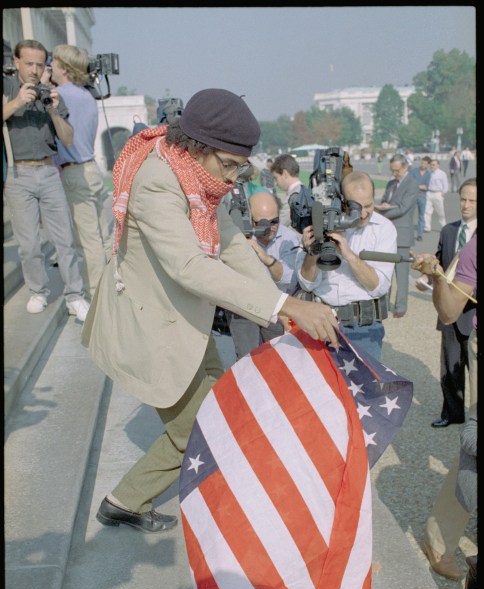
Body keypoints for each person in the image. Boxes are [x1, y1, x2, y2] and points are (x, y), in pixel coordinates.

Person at [81, 88, 340, 533]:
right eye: (230, 164)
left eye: (242, 167)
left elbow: (233, 244)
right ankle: (185, 516)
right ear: (197, 146)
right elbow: (190, 266)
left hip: (185, 323)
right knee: (205, 433)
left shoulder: (196, 175)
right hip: (154, 328)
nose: (236, 178)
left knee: (219, 417)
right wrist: (282, 303)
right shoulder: (159, 181)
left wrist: (279, 308)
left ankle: (125, 501)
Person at [3, 39, 90, 321]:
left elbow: (67, 137)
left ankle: (75, 296)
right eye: (29, 63)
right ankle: (38, 291)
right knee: (28, 243)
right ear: (16, 63)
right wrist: (17, 101)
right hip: (18, 173)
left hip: (48, 171)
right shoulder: (6, 88)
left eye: (40, 64)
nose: (35, 69)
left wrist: (52, 110)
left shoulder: (52, 95)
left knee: (64, 239)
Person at [411, 229, 477, 580]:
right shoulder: (475, 246)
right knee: (476, 448)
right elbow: (450, 312)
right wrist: (438, 278)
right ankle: (439, 538)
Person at [296, 171, 397, 360]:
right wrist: (313, 251)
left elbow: (378, 287)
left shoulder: (384, 228)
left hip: (363, 328)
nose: (364, 213)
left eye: (369, 205)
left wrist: (349, 255)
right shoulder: (320, 221)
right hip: (322, 324)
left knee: (365, 388)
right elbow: (307, 284)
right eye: (357, 207)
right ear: (342, 201)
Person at [49, 44, 112, 301]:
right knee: (104, 237)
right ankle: (111, 290)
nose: (49, 66)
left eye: (53, 62)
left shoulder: (57, 96)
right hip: (91, 168)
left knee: (87, 241)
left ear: (64, 67)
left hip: (73, 172)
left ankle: (96, 297)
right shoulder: (88, 96)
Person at [415, 178, 477, 428]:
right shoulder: (449, 230)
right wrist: (425, 277)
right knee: (449, 367)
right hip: (448, 310)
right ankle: (452, 413)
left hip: (472, 312)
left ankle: (474, 417)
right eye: (463, 199)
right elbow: (439, 263)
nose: (466, 205)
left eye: (472, 200)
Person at [225, 190, 303, 359]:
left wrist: (266, 259)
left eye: (275, 221)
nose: (270, 227)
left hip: (276, 308)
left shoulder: (288, 238)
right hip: (245, 306)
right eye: (263, 223)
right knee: (247, 359)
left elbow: (289, 279)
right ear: (250, 220)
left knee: (281, 358)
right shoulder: (236, 235)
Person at [374, 153, 419, 318]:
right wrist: (382, 205)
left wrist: (382, 211)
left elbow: (403, 208)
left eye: (397, 170)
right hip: (387, 233)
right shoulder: (391, 183)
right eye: (392, 170)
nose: (394, 174)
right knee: (385, 271)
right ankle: (384, 305)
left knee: (401, 275)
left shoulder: (412, 184)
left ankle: (400, 307)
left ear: (405, 167)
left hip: (402, 233)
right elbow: (387, 200)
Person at [270, 153, 303, 228]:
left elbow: (278, 226)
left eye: (276, 178)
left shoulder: (295, 195)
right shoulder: (301, 191)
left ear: (285, 174)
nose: (276, 183)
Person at [409, 155, 432, 242]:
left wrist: (417, 186)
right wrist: (420, 186)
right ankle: (409, 234)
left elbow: (426, 187)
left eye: (425, 163)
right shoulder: (414, 171)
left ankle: (419, 234)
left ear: (427, 165)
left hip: (422, 196)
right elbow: (410, 183)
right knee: (410, 215)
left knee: (421, 216)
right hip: (413, 195)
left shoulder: (428, 174)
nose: (423, 165)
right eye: (422, 163)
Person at [424, 158, 449, 232]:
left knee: (440, 211)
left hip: (438, 193)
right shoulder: (428, 173)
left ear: (438, 165)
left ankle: (444, 226)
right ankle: (427, 227)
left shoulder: (442, 173)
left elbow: (445, 184)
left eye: (434, 165)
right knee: (427, 211)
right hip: (429, 193)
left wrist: (443, 192)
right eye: (431, 165)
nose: (432, 166)